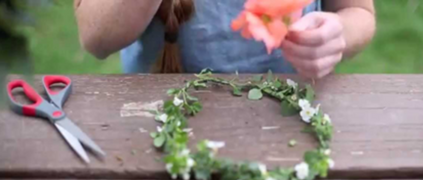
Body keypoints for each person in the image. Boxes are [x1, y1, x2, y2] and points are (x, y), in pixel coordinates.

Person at [74, 0, 375, 78]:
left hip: (290, 121)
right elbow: (96, 37)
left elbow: (358, 11)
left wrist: (339, 33)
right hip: (162, 126)